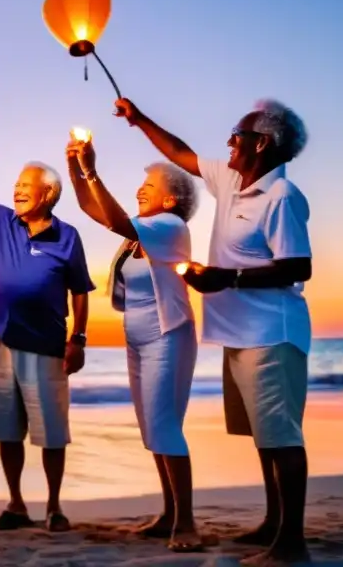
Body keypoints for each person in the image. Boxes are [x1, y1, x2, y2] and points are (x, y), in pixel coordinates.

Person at [114, 97, 313, 565]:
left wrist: (229, 278)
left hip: (271, 333)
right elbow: (181, 152)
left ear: (261, 143)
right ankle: (271, 523)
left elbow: (298, 265)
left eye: (237, 134)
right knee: (263, 436)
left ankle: (291, 543)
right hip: (237, 332)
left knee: (282, 437)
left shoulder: (281, 197)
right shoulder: (232, 180)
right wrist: (140, 118)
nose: (229, 141)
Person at [0, 115, 93, 533]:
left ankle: (55, 507)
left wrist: (78, 338)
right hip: (0, 337)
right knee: (7, 426)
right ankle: (16, 504)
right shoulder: (3, 220)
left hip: (46, 344)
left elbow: (80, 290)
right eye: (16, 187)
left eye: (26, 187)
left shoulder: (68, 237)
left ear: (48, 194)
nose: (18, 192)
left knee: (51, 431)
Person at [66, 134, 203, 552]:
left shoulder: (170, 227)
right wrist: (74, 163)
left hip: (168, 335)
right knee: (151, 430)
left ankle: (188, 523)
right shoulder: (137, 236)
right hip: (137, 339)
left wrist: (92, 169)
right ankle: (168, 515)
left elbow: (114, 218)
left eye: (152, 185)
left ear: (170, 201)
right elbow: (94, 209)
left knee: (166, 426)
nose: (141, 189)